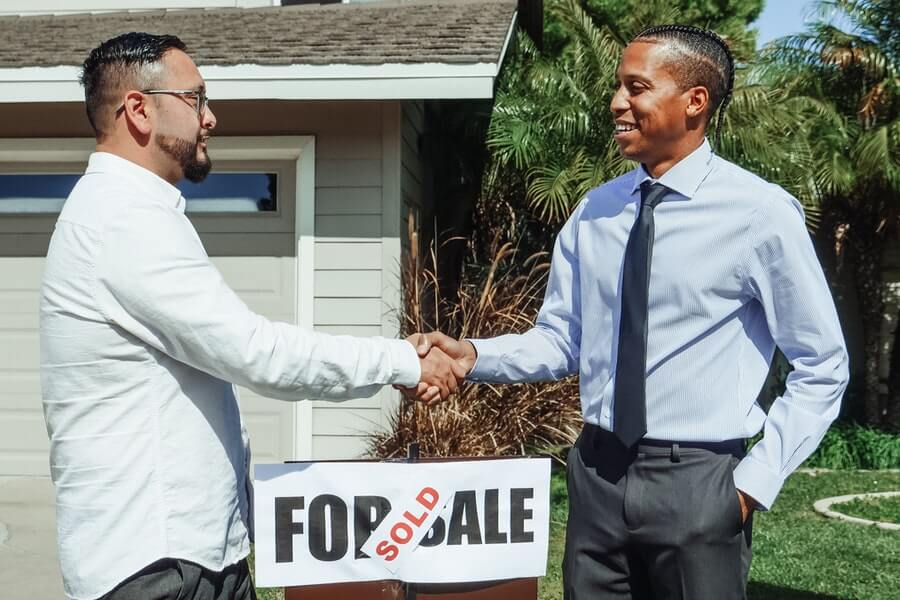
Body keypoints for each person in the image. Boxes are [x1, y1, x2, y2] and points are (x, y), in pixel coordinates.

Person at [412, 24, 849, 599]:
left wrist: (749, 487)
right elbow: (561, 340)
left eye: (636, 87)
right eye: (619, 87)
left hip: (699, 482)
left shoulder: (760, 215)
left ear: (695, 101)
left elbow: (822, 365)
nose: (618, 102)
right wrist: (472, 356)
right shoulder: (596, 211)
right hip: (596, 475)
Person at [40, 32, 462, 600]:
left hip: (180, 557)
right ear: (138, 110)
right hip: (158, 567)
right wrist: (402, 361)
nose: (210, 118)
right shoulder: (121, 220)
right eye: (196, 100)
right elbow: (255, 352)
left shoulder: (129, 212)